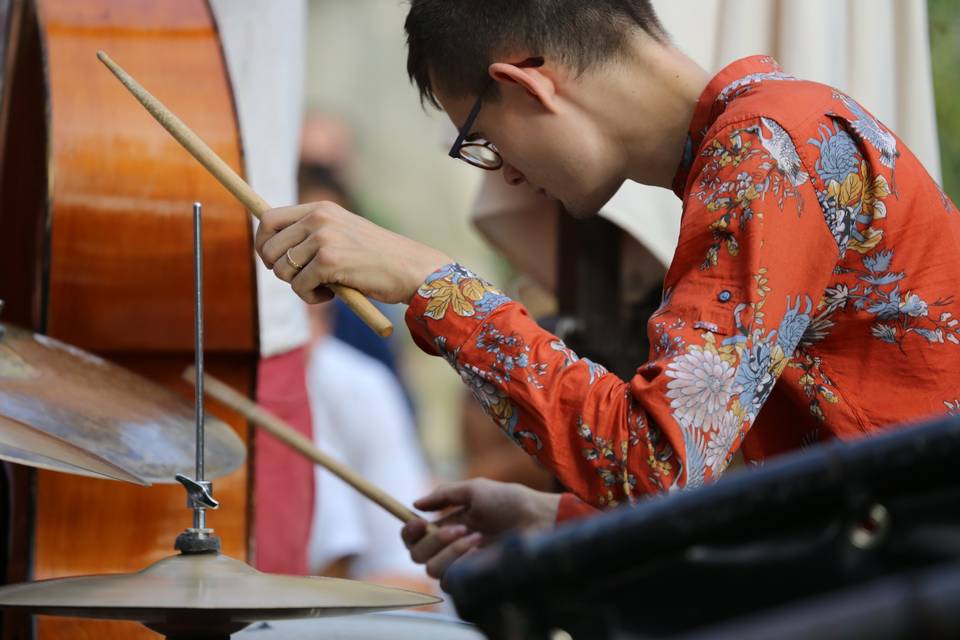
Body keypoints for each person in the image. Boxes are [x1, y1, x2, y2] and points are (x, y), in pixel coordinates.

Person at [253, 0, 960, 579]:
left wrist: (435, 287)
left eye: (484, 141)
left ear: (529, 84)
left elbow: (654, 466)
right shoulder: (763, 145)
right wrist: (548, 519)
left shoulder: (770, 153)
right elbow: (756, 481)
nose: (506, 176)